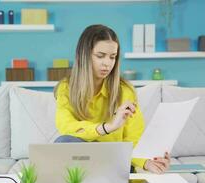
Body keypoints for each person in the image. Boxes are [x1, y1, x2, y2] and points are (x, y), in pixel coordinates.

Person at [54, 24, 170, 174]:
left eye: (112, 57)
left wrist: (147, 162)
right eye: (100, 56)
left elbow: (134, 137)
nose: (107, 63)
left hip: (115, 160)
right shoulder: (66, 88)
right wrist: (107, 127)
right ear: (84, 55)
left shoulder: (125, 91)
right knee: (63, 143)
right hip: (83, 158)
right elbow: (66, 127)